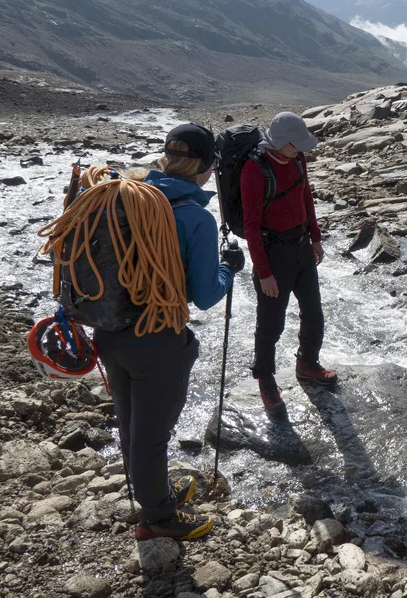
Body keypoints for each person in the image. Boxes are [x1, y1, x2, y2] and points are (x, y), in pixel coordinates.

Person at [96, 123, 243, 540]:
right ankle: (159, 519)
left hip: (109, 329)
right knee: (153, 434)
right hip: (156, 336)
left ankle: (153, 493)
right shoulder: (194, 217)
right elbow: (205, 294)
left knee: (130, 425)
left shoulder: (125, 196)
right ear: (206, 167)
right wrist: (228, 269)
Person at [241, 111, 333, 415]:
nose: (302, 149)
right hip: (273, 253)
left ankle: (307, 363)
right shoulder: (255, 170)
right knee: (270, 324)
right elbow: (251, 226)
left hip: (301, 247)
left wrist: (315, 237)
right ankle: (266, 380)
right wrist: (264, 272)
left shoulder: (297, 159)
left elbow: (305, 196)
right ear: (281, 143)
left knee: (314, 312)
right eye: (297, 145)